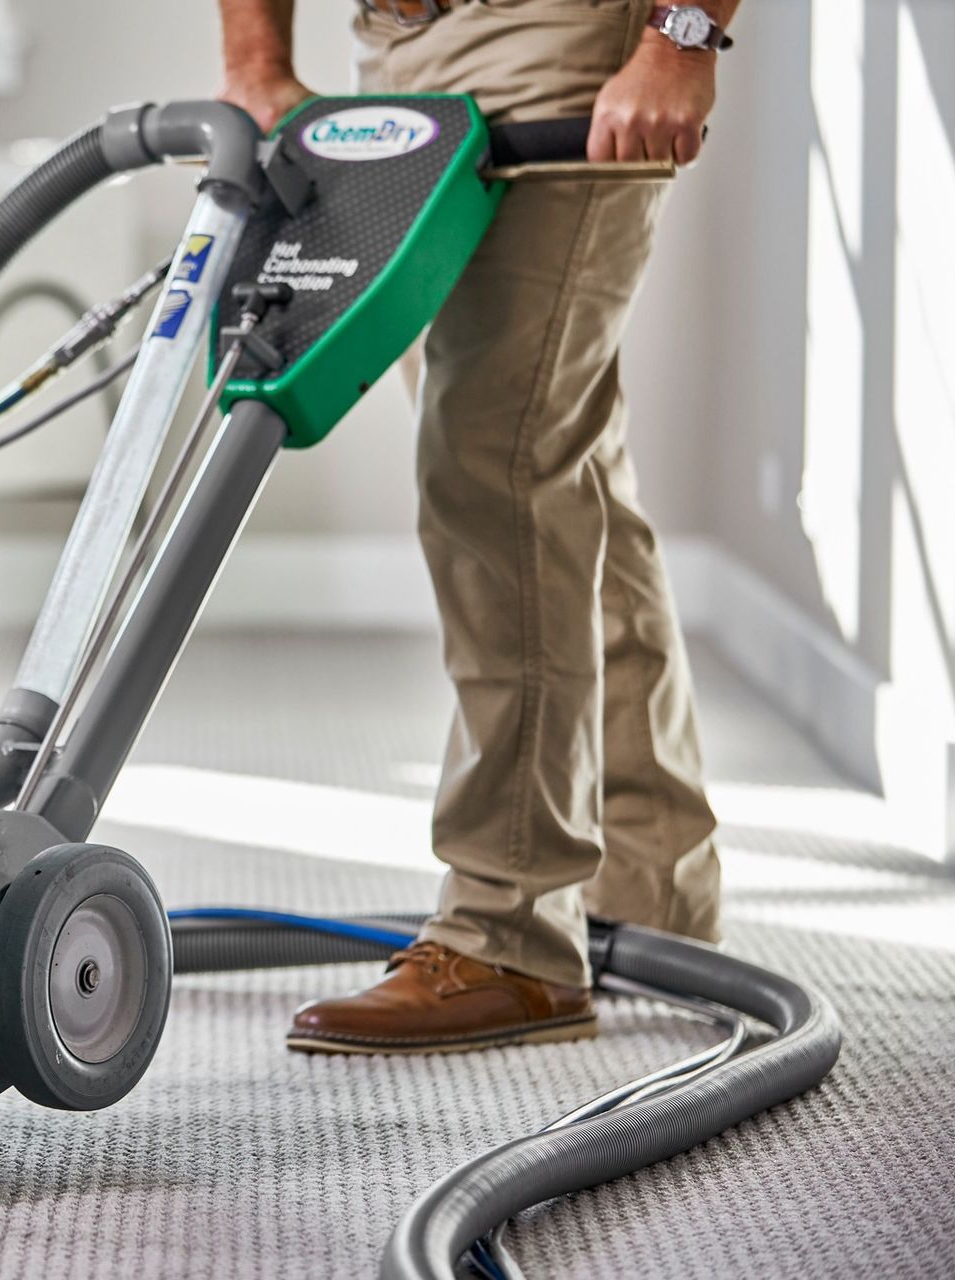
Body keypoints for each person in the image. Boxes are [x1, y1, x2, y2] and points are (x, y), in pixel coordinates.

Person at [216, 0, 741, 1055]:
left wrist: (679, 36)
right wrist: (256, 61)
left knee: (495, 469)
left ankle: (512, 928)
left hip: (557, 36)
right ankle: (651, 882)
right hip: (399, 56)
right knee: (554, 463)